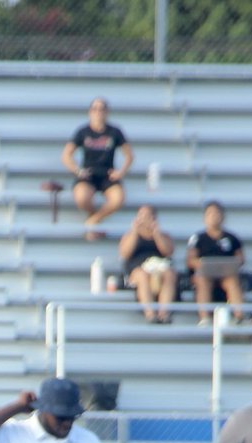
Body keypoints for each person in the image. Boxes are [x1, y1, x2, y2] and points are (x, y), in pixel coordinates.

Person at [62, 98, 133, 240]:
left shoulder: (115, 131)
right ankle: (96, 221)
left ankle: (92, 221)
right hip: (88, 174)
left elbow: (129, 155)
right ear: (90, 112)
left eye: (102, 109)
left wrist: (121, 172)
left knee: (118, 199)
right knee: (82, 197)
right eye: (95, 109)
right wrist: (77, 170)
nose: (98, 113)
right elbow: (66, 155)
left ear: (107, 112)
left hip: (107, 174)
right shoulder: (83, 131)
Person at [186, 201, 246, 326]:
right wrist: (201, 264)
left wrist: (230, 264)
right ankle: (204, 317)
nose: (214, 216)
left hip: (226, 274)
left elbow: (240, 259)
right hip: (205, 274)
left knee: (232, 281)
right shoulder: (198, 238)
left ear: (223, 216)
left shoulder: (232, 238)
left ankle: (240, 316)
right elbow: (191, 260)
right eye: (210, 213)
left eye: (217, 213)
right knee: (202, 280)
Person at [118, 206, 177, 324]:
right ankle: (150, 314)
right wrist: (135, 231)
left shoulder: (164, 235)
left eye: (148, 216)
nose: (144, 218)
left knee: (170, 274)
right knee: (142, 275)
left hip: (160, 268)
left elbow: (168, 252)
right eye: (141, 215)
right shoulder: (130, 235)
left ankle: (164, 313)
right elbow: (125, 253)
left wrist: (156, 233)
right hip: (138, 269)